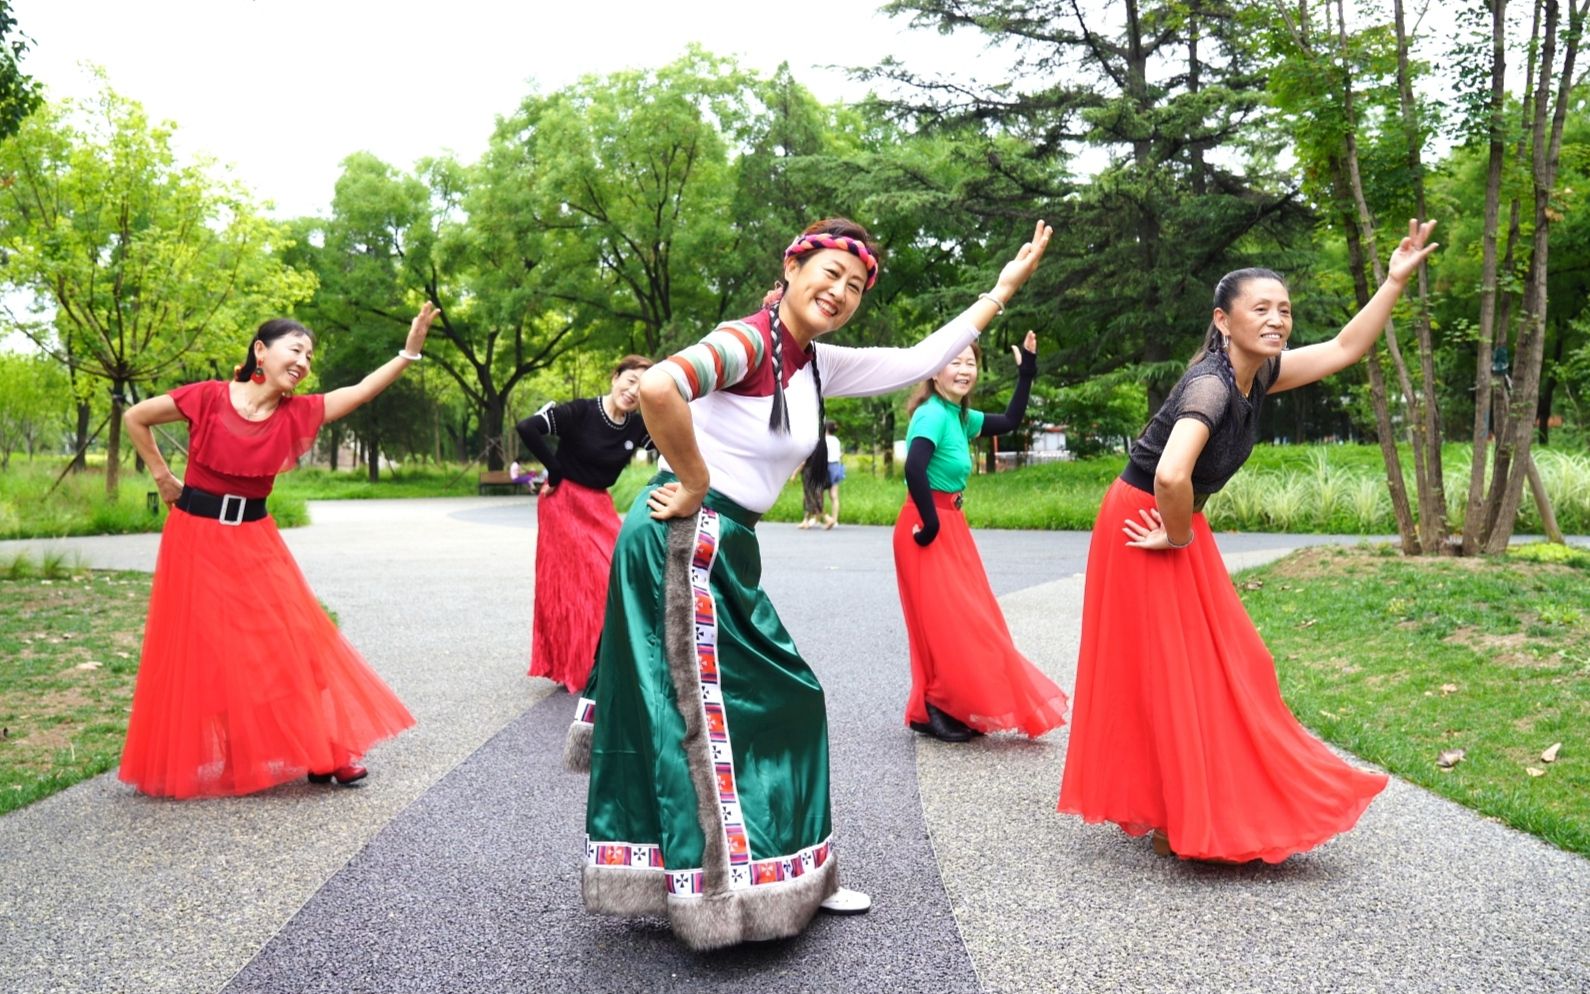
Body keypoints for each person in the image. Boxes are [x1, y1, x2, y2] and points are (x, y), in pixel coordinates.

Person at [572, 217, 1052, 950]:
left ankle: (784, 875)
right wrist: (696, 477)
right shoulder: (750, 342)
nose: (842, 292)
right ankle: (720, 892)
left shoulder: (813, 363)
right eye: (830, 274)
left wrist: (1000, 292)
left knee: (778, 703)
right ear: (793, 269)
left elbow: (922, 356)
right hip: (682, 534)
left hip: (722, 545)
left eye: (855, 285)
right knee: (712, 718)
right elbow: (662, 384)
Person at [1058, 219, 1439, 863]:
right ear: (1223, 320)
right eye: (1260, 309)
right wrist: (1176, 537)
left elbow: (1346, 346)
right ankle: (1180, 812)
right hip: (1148, 524)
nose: (1277, 321)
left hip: (1175, 522)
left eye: (1284, 310)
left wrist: (1393, 281)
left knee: (1226, 662)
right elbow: (1172, 473)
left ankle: (1183, 804)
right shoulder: (1210, 384)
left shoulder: (1257, 374)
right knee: (1179, 669)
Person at [117, 304, 440, 798]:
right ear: (260, 351)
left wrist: (409, 353)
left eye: (310, 356)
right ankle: (236, 754)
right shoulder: (206, 397)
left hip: (255, 539)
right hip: (194, 539)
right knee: (211, 651)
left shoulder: (297, 412)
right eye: (296, 349)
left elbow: (358, 392)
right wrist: (163, 478)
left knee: (293, 643)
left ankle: (325, 750)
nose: (304, 361)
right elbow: (136, 417)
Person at [893, 331, 1068, 743]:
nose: (963, 370)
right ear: (934, 371)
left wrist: (1026, 374)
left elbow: (1008, 422)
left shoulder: (957, 415)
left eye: (970, 363)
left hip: (949, 524)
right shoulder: (932, 414)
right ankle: (935, 706)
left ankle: (942, 704)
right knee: (945, 622)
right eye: (954, 362)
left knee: (971, 620)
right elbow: (914, 468)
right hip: (926, 526)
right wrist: (931, 522)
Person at [514, 356, 654, 693]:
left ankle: (608, 659)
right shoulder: (581, 411)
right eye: (630, 380)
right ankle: (578, 664)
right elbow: (527, 426)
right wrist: (555, 468)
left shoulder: (637, 426)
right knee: (581, 585)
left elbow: (671, 447)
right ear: (615, 377)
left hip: (599, 504)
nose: (633, 391)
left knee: (619, 572)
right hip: (563, 502)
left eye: (643, 387)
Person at [796, 445, 829, 530]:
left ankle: (827, 518)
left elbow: (803, 462)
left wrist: (794, 473)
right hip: (818, 470)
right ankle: (806, 520)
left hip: (808, 472)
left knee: (810, 496)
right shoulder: (819, 444)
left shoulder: (808, 445)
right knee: (813, 496)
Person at [821, 419, 844, 528]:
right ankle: (835, 519)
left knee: (819, 494)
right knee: (834, 495)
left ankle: (823, 517)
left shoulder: (824, 440)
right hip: (836, 466)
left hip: (826, 467)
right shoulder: (836, 440)